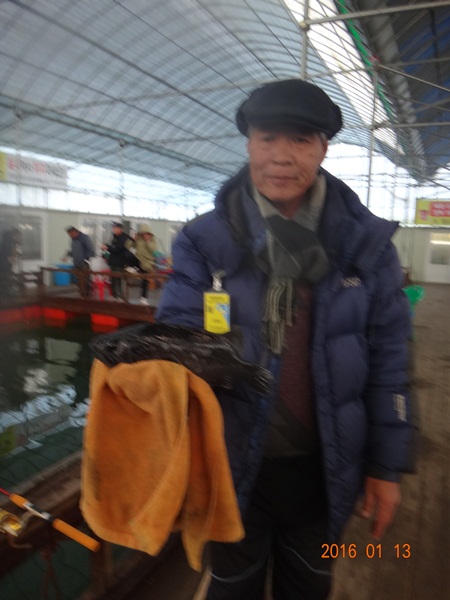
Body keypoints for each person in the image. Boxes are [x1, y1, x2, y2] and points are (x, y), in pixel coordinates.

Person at [155, 79, 417, 599]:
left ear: (323, 149)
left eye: (300, 139)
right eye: (268, 138)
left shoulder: (365, 246)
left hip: (325, 471)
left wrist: (386, 466)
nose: (281, 156)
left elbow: (390, 360)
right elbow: (175, 343)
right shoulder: (204, 241)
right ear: (249, 144)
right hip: (229, 470)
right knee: (232, 589)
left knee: (310, 587)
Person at [100, 222, 136, 300]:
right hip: (113, 261)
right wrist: (107, 246)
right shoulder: (115, 237)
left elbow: (119, 249)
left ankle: (119, 297)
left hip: (120, 262)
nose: (114, 230)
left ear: (121, 229)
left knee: (118, 279)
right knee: (113, 279)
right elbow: (113, 247)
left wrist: (107, 248)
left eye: (115, 228)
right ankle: (114, 296)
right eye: (113, 228)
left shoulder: (124, 238)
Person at [62, 226, 95, 297]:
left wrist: (85, 260)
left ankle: (88, 295)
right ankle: (82, 293)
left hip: (84, 263)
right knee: (79, 279)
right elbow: (73, 251)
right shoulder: (73, 239)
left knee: (86, 279)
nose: (70, 236)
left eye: (71, 234)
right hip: (76, 263)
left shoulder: (84, 238)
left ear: (75, 232)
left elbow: (91, 250)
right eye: (69, 235)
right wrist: (66, 256)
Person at [134, 223, 157, 305]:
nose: (144, 235)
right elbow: (131, 246)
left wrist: (148, 241)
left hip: (147, 262)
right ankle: (134, 269)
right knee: (129, 256)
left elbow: (153, 250)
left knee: (145, 280)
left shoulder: (152, 240)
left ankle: (143, 298)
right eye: (143, 233)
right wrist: (134, 240)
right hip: (138, 260)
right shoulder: (139, 239)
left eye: (146, 233)